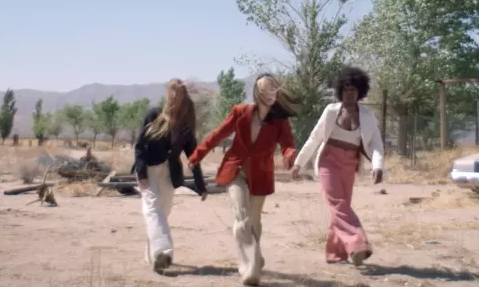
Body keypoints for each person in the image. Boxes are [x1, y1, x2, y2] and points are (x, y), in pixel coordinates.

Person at [188, 73, 300, 286]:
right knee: (242, 219)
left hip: (261, 175)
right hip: (236, 171)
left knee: (254, 222)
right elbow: (218, 134)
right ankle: (250, 267)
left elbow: (287, 144)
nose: (269, 93)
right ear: (257, 92)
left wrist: (289, 155)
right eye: (265, 89)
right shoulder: (240, 112)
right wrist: (197, 155)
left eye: (272, 89)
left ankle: (253, 259)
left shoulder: (280, 120)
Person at [292, 66, 385, 266]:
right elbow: (315, 138)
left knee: (342, 207)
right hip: (328, 161)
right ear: (340, 91)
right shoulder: (331, 111)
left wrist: (378, 166)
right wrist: (299, 163)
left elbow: (376, 143)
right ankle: (358, 243)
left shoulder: (368, 117)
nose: (349, 93)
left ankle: (336, 253)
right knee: (338, 204)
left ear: (360, 92)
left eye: (353, 89)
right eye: (346, 89)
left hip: (350, 163)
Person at [131, 79, 208, 274]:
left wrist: (200, 185)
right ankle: (162, 252)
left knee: (163, 212)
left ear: (183, 97)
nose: (174, 97)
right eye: (171, 92)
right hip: (149, 170)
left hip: (169, 173)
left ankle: (152, 254)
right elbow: (139, 146)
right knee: (152, 209)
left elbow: (194, 157)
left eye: (178, 93)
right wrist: (140, 172)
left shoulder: (185, 126)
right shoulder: (154, 115)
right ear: (167, 94)